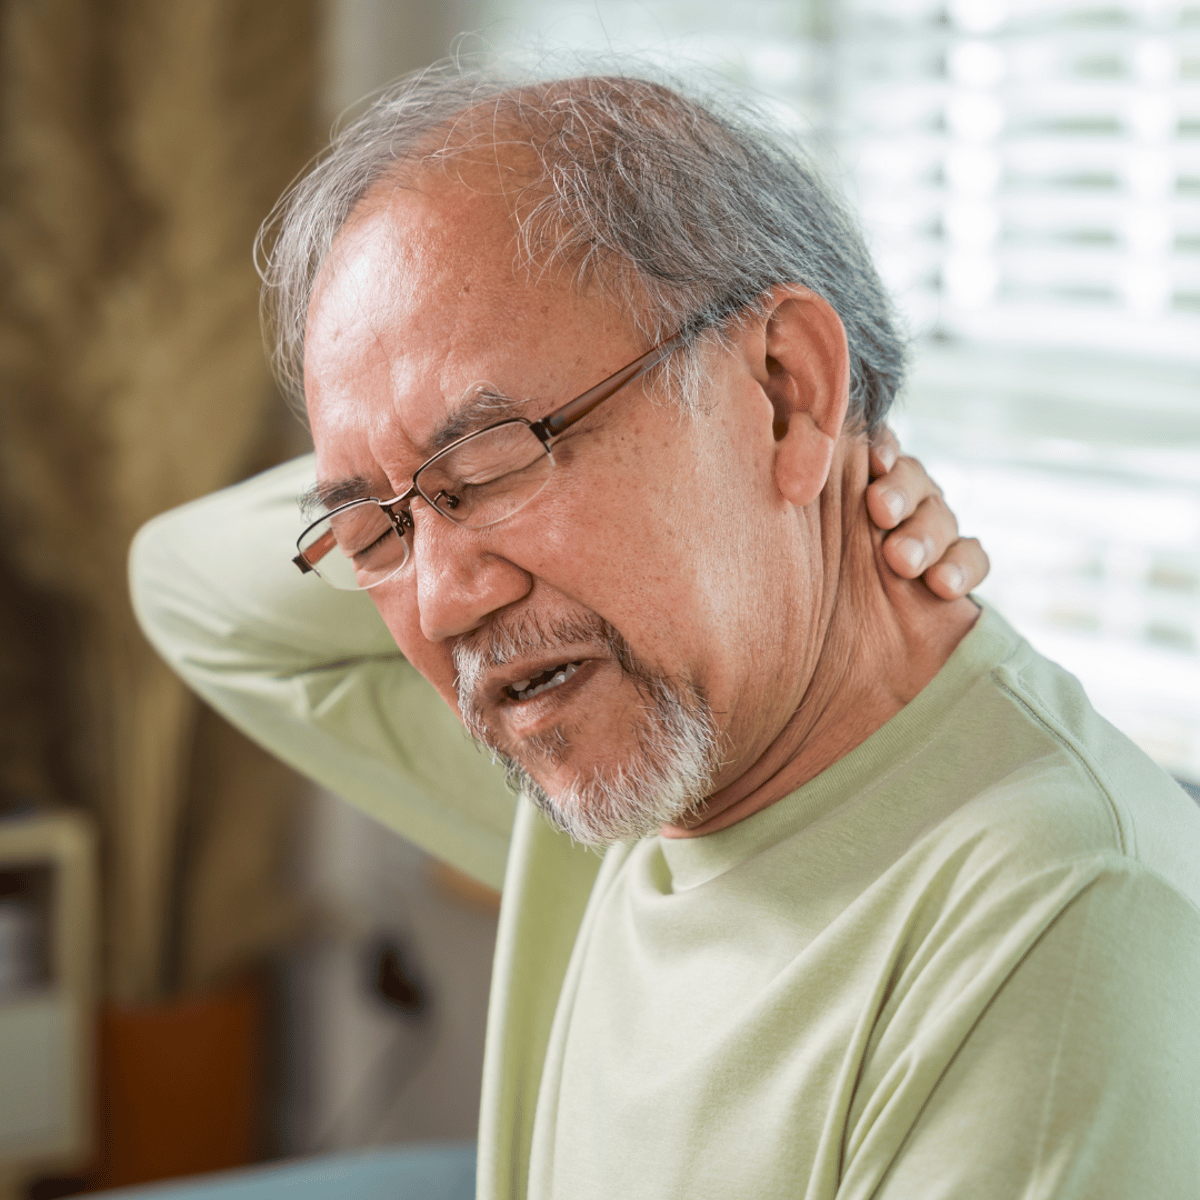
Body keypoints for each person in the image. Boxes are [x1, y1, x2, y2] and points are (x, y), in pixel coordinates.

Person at [130, 68, 1200, 1198]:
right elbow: (186, 589)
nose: (444, 606)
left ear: (783, 388)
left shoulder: (1057, 932)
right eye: (369, 534)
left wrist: (827, 450)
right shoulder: (622, 747)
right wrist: (397, 469)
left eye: (493, 461)